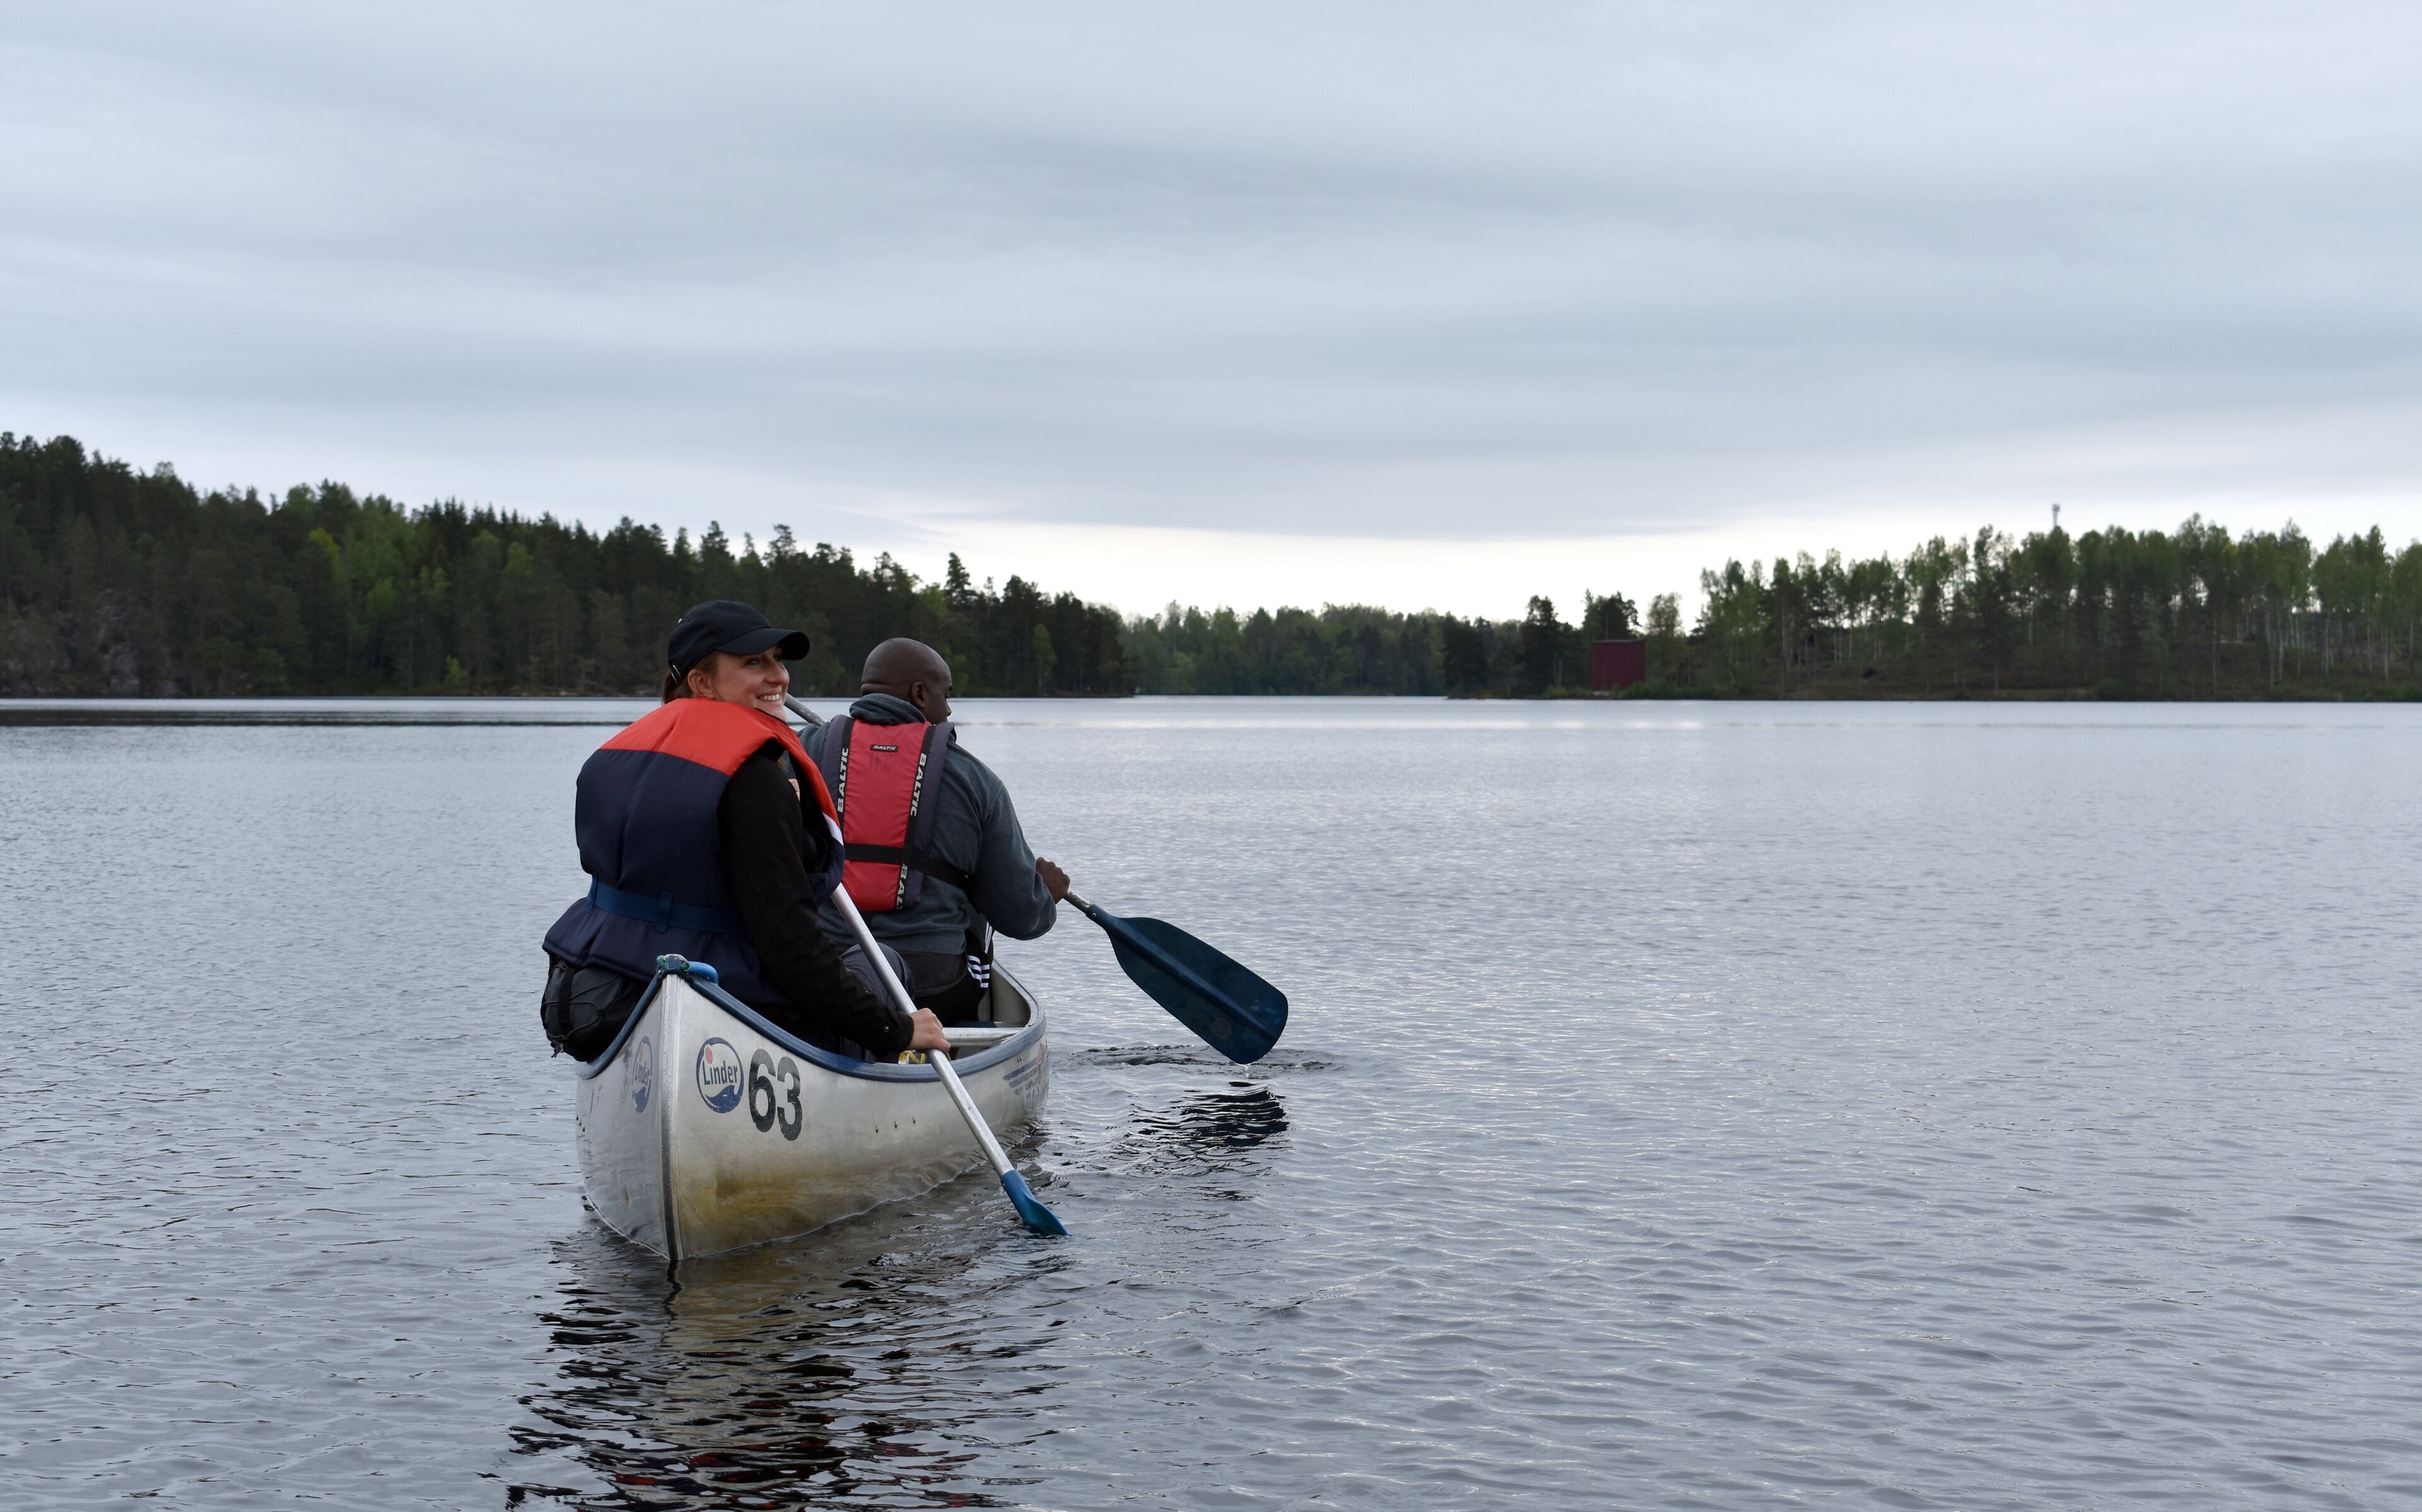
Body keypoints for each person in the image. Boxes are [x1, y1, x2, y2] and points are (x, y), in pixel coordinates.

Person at [538, 601, 951, 1064]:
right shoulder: (754, 784)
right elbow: (791, 948)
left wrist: (786, 824)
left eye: (778, 659)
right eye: (754, 662)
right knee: (886, 964)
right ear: (701, 682)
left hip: (610, 1001)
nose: (779, 676)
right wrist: (894, 1029)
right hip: (724, 1021)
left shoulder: (612, 761)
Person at [803, 637, 1067, 1023]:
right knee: (977, 905)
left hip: (823, 972)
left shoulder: (798, 753)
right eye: (946, 695)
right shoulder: (974, 779)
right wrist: (1043, 895)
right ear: (920, 694)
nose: (948, 709)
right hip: (934, 987)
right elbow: (1020, 918)